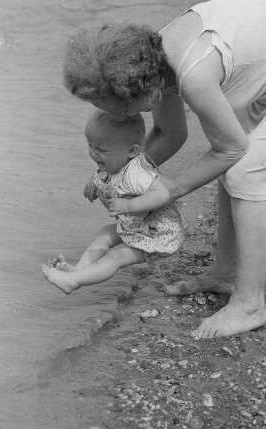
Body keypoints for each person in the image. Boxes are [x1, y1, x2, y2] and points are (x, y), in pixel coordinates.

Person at [62, 0, 266, 339]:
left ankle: (250, 304)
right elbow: (171, 134)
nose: (122, 120)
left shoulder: (193, 75)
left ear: (142, 95)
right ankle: (227, 271)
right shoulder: (151, 61)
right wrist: (117, 177)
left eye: (122, 113)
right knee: (234, 162)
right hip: (255, 61)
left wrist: (169, 188)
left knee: (245, 170)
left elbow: (231, 149)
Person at [42, 111, 183, 294]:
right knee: (104, 234)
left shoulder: (137, 173)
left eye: (101, 150)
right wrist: (94, 181)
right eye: (90, 146)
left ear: (132, 151)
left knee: (116, 256)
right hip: (139, 226)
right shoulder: (116, 162)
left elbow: (162, 194)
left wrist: (128, 206)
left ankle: (73, 281)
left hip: (158, 234)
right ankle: (77, 271)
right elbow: (108, 176)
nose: (94, 154)